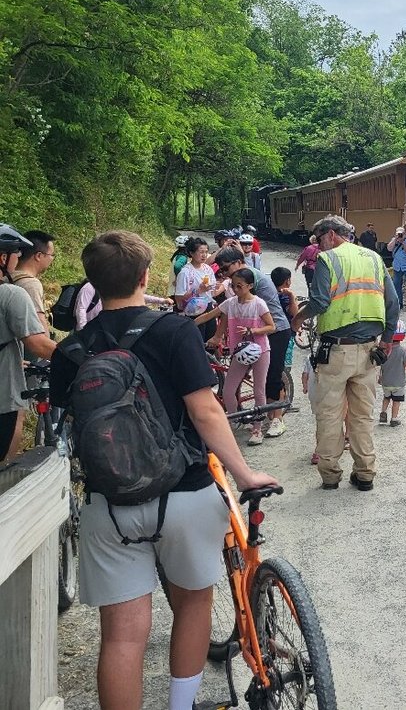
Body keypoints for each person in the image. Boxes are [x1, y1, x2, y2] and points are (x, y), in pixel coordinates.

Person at [48, 230, 277, 710]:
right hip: (185, 494)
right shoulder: (173, 331)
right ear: (146, 276)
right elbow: (206, 411)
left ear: (91, 282)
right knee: (192, 605)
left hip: (109, 506)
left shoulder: (71, 351)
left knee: (122, 637)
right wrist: (244, 473)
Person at [290, 214, 398, 491]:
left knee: (330, 414)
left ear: (331, 234)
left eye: (319, 239)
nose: (318, 247)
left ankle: (330, 475)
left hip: (336, 351)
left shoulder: (329, 260)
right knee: (362, 416)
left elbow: (320, 301)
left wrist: (298, 318)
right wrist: (386, 340)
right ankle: (365, 474)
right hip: (369, 350)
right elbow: (393, 302)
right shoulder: (374, 258)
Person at [212, 247, 292, 439]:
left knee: (271, 379)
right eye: (221, 271)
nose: (224, 274)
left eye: (225, 268)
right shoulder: (238, 282)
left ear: (239, 263)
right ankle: (249, 418)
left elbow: (245, 311)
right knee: (244, 381)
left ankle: (277, 420)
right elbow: (229, 311)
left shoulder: (248, 278)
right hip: (251, 333)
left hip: (275, 329)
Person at [0, 224, 57, 459]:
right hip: (3, 397)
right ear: (4, 257)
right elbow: (39, 343)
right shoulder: (11, 294)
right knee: (5, 465)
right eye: (17, 254)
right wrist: (81, 359)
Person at [206, 268, 275, 445]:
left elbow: (271, 326)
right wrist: (187, 324)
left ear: (250, 286)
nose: (236, 290)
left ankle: (257, 428)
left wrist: (253, 331)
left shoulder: (259, 304)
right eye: (233, 286)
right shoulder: (230, 304)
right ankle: (237, 419)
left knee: (258, 390)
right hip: (240, 352)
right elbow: (209, 316)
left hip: (260, 351)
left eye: (239, 286)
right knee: (228, 391)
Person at [174, 237, 221, 342]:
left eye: (206, 252)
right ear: (191, 253)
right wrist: (197, 291)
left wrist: (216, 287)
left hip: (208, 306)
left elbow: (212, 292)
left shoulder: (207, 269)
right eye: (201, 252)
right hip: (193, 309)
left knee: (210, 338)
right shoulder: (185, 272)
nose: (204, 255)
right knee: (197, 339)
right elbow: (179, 298)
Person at [12, 228, 55, 331]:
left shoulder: (7, 277)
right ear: (39, 256)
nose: (52, 259)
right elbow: (40, 328)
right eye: (52, 255)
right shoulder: (31, 284)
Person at [378, 320, 406, 426]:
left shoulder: (384, 351)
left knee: (386, 398)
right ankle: (394, 418)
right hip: (398, 383)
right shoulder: (403, 351)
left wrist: (380, 376)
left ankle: (383, 412)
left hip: (386, 382)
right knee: (396, 401)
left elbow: (381, 365)